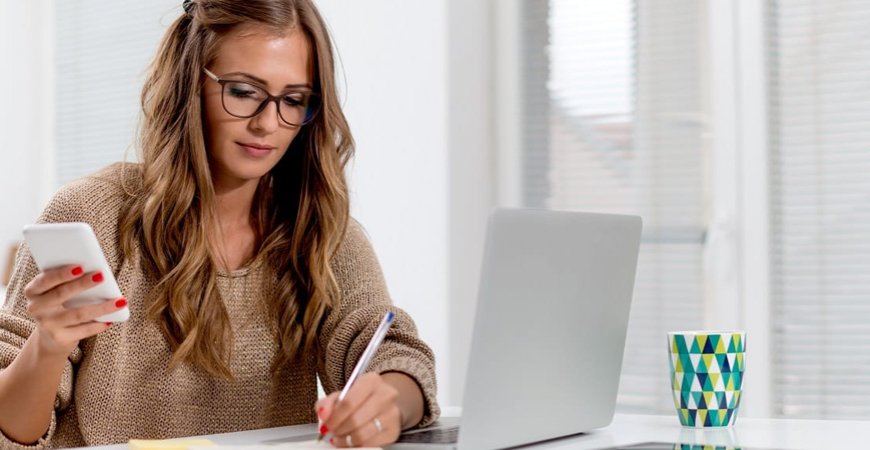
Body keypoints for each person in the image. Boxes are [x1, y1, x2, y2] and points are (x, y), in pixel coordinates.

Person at [0, 1, 440, 448]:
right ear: (191, 83)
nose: (268, 123)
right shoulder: (94, 212)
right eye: (244, 92)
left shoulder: (322, 232)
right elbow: (8, 432)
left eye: (293, 100)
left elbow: (395, 355)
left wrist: (386, 401)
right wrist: (47, 346)